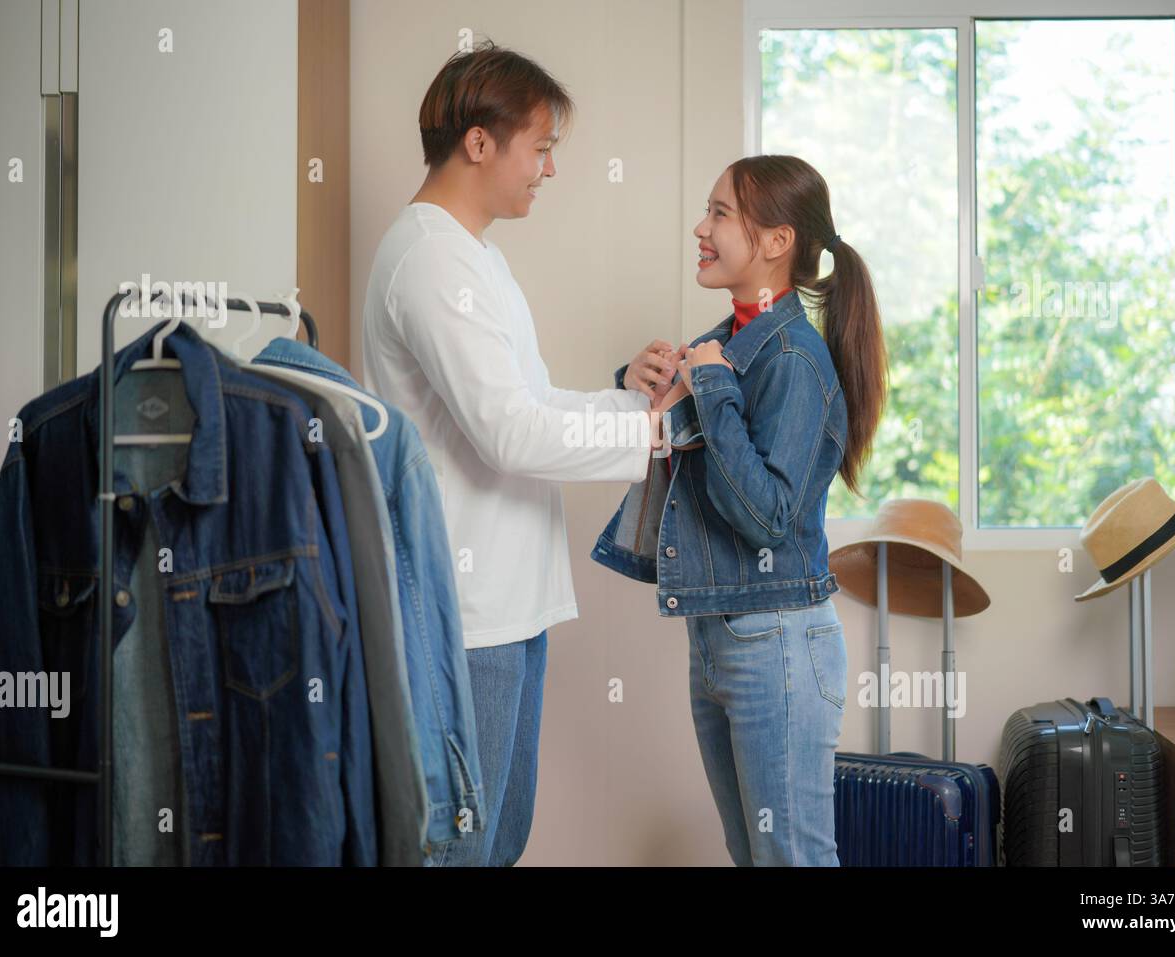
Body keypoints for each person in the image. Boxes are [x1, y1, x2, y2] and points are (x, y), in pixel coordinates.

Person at [361, 40, 681, 866]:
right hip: (467, 610)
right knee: (463, 846)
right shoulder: (430, 259)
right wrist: (651, 432)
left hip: (507, 600)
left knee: (498, 837)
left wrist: (631, 403)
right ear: (479, 142)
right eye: (539, 147)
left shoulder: (474, 258)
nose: (547, 168)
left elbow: (529, 404)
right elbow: (509, 433)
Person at [595, 154, 888, 865]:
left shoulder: (791, 357)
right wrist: (640, 387)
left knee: (791, 857)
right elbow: (691, 462)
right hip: (723, 637)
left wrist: (714, 391)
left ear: (776, 241)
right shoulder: (727, 342)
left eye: (720, 213)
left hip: (778, 643)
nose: (701, 227)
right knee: (757, 854)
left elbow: (766, 517)